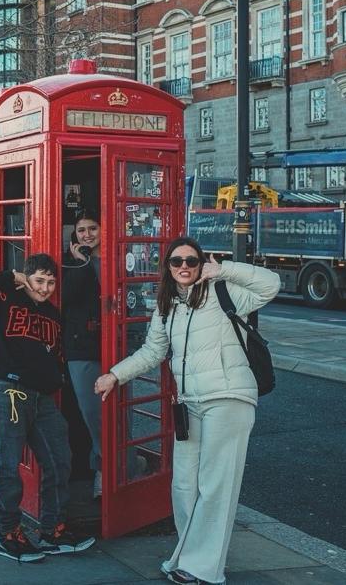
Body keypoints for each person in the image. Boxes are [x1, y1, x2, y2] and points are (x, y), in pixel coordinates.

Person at [94, 237, 279, 585]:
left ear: (200, 263)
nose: (184, 266)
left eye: (191, 261)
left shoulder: (226, 293)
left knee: (215, 485)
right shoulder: (166, 307)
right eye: (177, 261)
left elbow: (272, 284)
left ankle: (203, 569)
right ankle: (187, 555)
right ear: (167, 266)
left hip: (229, 397)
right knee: (184, 484)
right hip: (190, 403)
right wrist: (114, 375)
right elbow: (152, 353)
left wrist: (223, 269)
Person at [0, 254, 96, 563]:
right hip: (8, 389)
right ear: (27, 279)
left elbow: (55, 354)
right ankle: (7, 531)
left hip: (42, 396)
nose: (45, 288)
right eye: (39, 281)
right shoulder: (6, 300)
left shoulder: (54, 314)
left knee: (59, 458)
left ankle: (52, 529)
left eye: (51, 282)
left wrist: (57, 379)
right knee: (8, 462)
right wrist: (14, 276)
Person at [61, 210, 103, 498]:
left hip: (114, 343)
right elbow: (67, 299)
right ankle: (99, 466)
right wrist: (82, 263)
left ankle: (110, 469)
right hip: (82, 346)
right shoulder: (73, 263)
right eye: (81, 230)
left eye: (92, 228)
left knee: (112, 413)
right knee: (91, 411)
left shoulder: (116, 256)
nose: (87, 234)